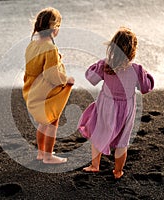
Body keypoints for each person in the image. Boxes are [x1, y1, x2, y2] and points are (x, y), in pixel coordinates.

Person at [77, 27, 154, 178]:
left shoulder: (106, 65)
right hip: (126, 109)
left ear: (112, 47)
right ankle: (118, 171)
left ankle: (95, 165)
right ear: (133, 50)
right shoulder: (137, 69)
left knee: (99, 133)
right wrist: (146, 75)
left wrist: (97, 65)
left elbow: (91, 78)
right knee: (122, 141)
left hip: (106, 106)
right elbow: (145, 88)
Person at [22, 7, 75, 164]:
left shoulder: (32, 45)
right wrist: (67, 80)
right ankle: (48, 156)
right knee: (53, 122)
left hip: (32, 90)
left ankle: (40, 153)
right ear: (55, 28)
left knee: (43, 122)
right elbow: (50, 75)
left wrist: (56, 57)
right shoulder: (50, 48)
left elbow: (35, 67)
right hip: (46, 91)